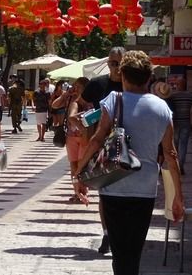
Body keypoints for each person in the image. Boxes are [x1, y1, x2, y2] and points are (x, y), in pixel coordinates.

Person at [75, 51, 184, 275]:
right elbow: (170, 154)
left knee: (119, 253)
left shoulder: (114, 100)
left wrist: (79, 173)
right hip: (145, 189)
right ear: (149, 78)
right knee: (134, 253)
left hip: (114, 185)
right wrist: (178, 198)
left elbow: (96, 140)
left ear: (123, 75)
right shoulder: (162, 108)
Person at [80, 46, 125, 255]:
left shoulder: (133, 84)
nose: (117, 68)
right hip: (103, 146)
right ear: (107, 64)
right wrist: (76, 117)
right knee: (105, 194)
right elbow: (79, 103)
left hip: (130, 146)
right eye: (113, 63)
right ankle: (108, 234)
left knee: (125, 195)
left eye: (120, 63)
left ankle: (121, 234)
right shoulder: (98, 84)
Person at [65, 77, 90, 202]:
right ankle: (77, 191)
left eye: (78, 87)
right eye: (75, 87)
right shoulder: (75, 102)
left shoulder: (90, 102)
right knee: (74, 166)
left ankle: (82, 191)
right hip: (73, 137)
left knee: (81, 165)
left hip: (83, 138)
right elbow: (71, 117)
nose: (75, 89)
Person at [167, 78, 192, 174]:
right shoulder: (190, 96)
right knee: (183, 145)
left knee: (175, 145)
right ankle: (181, 166)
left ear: (178, 85)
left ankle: (175, 165)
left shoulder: (173, 96)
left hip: (175, 123)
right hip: (186, 122)